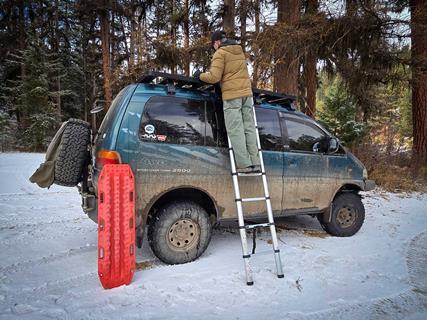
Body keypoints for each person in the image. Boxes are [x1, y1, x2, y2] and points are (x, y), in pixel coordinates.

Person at [194, 30, 260, 174]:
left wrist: (200, 75)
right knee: (249, 127)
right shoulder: (238, 51)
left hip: (232, 96)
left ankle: (244, 165)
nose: (214, 48)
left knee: (235, 129)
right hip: (246, 95)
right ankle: (255, 162)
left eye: (213, 46)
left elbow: (214, 77)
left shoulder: (220, 53)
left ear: (217, 42)